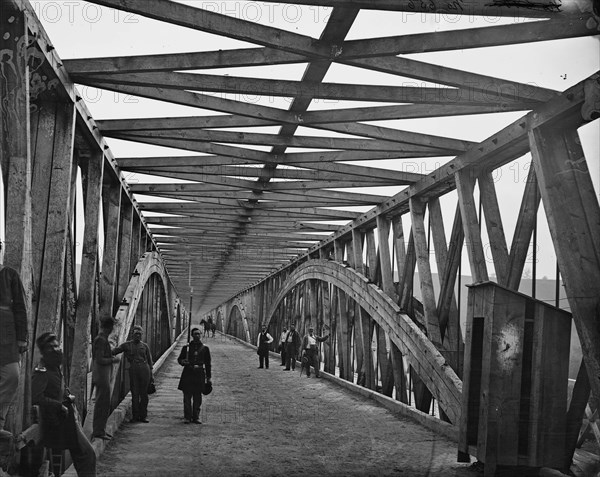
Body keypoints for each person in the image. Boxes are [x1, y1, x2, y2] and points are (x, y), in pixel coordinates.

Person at [32, 332, 96, 477]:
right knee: (87, 454)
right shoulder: (42, 370)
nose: (56, 349)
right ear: (44, 351)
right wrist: (58, 405)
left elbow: (56, 388)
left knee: (83, 455)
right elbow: (36, 397)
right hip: (58, 421)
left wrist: (68, 396)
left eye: (56, 346)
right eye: (51, 347)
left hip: (67, 418)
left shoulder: (54, 367)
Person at [0, 240, 28, 440]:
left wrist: (22, 339)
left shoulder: (9, 274)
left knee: (12, 376)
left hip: (7, 337)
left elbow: (20, 307)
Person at [112, 325, 153, 423]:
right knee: (135, 393)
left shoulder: (145, 346)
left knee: (144, 394)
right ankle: (135, 416)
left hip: (144, 369)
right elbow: (115, 351)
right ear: (132, 335)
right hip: (133, 369)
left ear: (142, 335)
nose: (138, 336)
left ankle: (143, 416)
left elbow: (150, 362)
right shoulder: (127, 345)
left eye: (139, 334)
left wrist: (152, 376)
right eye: (136, 334)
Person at [91, 316, 119, 440]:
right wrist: (113, 359)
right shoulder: (101, 340)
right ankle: (98, 431)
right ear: (109, 327)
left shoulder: (101, 339)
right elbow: (100, 359)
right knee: (102, 404)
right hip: (102, 375)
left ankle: (100, 430)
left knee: (103, 403)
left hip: (103, 375)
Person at [177, 327, 211, 424]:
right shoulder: (186, 348)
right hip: (188, 373)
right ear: (192, 335)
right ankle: (187, 417)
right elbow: (179, 359)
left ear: (201, 335)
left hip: (199, 373)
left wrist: (208, 378)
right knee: (187, 397)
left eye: (199, 334)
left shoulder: (205, 349)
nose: (197, 336)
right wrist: (184, 362)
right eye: (195, 334)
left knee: (197, 397)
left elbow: (208, 364)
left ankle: (196, 417)